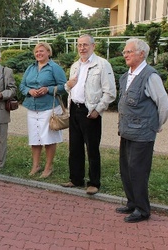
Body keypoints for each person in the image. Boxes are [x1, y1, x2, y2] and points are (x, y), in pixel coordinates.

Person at [116, 38, 168, 223]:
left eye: (129, 51)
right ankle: (132, 203)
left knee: (138, 171)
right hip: (127, 131)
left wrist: (156, 125)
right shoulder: (126, 76)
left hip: (143, 133)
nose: (125, 54)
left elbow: (163, 103)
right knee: (126, 169)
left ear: (142, 53)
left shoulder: (150, 76)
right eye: (125, 52)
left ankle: (142, 209)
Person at [61, 34, 116, 195]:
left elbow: (110, 92)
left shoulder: (102, 65)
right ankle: (76, 179)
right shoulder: (75, 65)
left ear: (93, 46)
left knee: (92, 148)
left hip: (90, 111)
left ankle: (94, 182)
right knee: (75, 147)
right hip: (75, 109)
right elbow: (71, 87)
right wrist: (67, 86)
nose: (82, 48)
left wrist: (97, 110)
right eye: (79, 45)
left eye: (85, 45)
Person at [19, 42, 67, 178]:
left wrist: (48, 89)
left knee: (48, 137)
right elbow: (22, 85)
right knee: (35, 137)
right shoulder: (30, 68)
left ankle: (48, 166)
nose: (38, 54)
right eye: (36, 52)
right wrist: (29, 91)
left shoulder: (54, 68)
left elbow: (64, 86)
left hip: (49, 107)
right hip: (32, 108)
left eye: (42, 51)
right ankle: (36, 165)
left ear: (48, 53)